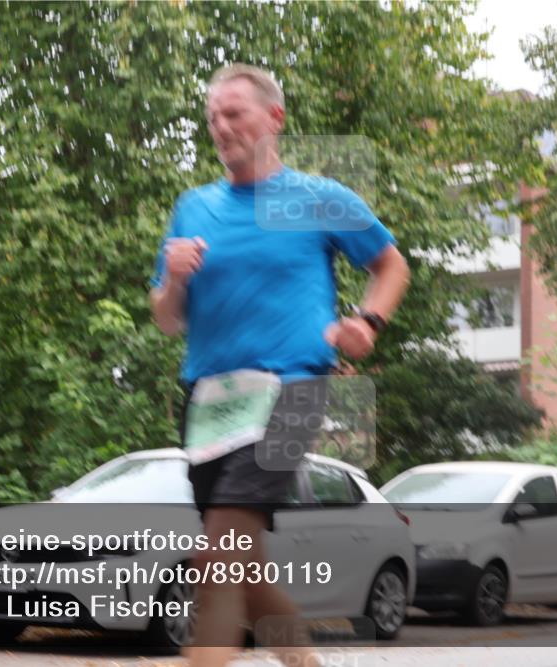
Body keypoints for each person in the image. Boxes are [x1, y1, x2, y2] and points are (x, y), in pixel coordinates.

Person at [149, 64, 409, 667]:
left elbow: (391, 267)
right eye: (212, 117)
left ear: (274, 119)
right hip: (212, 399)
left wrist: (367, 323)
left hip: (292, 389)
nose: (220, 126)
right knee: (244, 562)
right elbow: (167, 319)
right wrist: (174, 282)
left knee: (219, 553)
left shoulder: (318, 198)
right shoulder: (193, 208)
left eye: (233, 113)